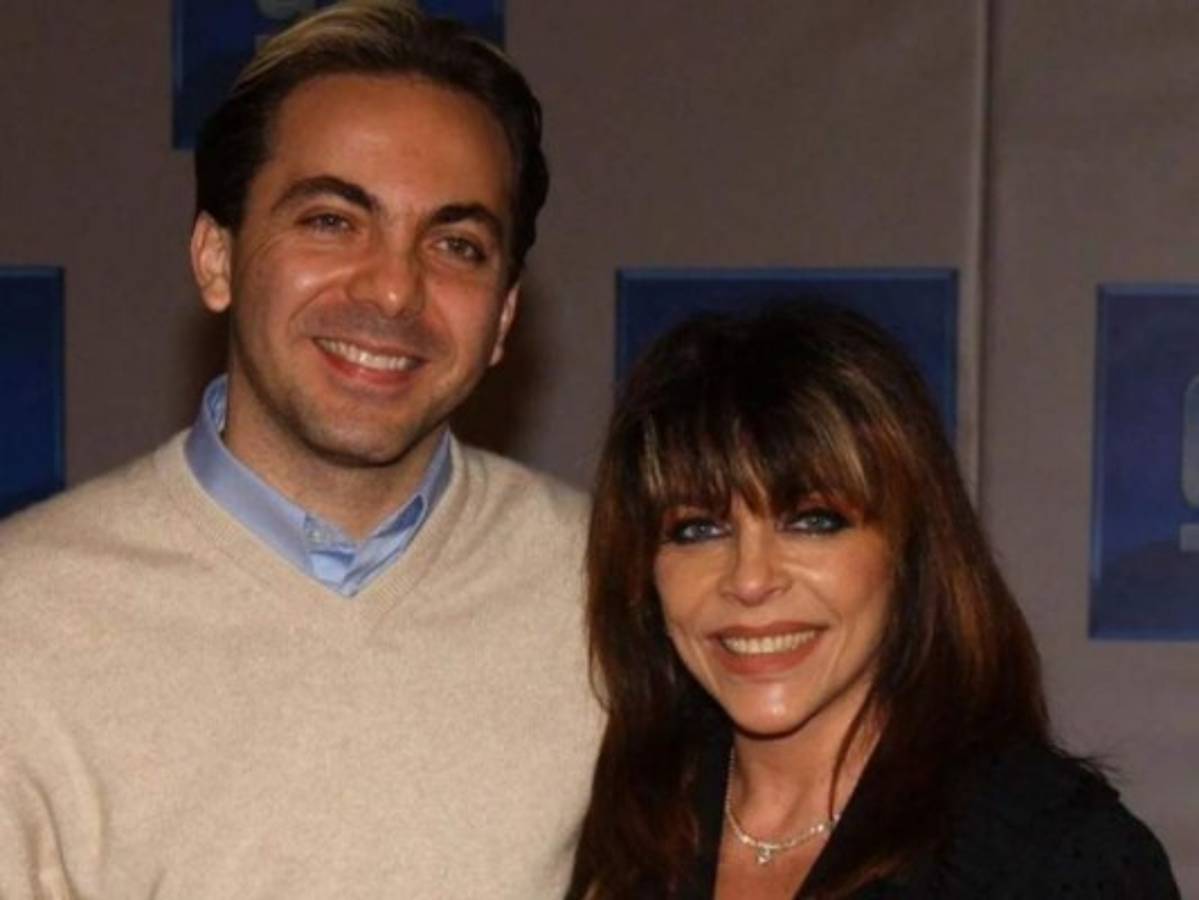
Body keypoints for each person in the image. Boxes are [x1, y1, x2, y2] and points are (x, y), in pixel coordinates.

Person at [0, 2, 599, 897]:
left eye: (456, 244)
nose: (393, 290)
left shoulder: (614, 592)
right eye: (330, 221)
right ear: (216, 258)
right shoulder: (22, 620)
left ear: (504, 315)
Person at [569, 307, 1179, 898]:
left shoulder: (1055, 857)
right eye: (698, 529)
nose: (750, 580)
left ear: (910, 549)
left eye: (812, 521)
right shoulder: (616, 823)